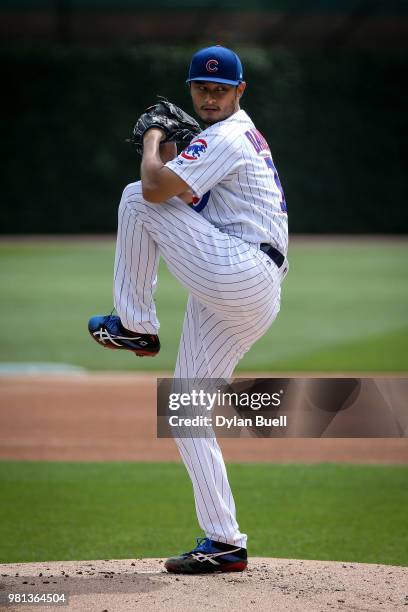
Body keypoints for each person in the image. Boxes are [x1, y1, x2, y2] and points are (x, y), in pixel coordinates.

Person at [88, 45, 288, 574]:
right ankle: (225, 540)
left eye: (221, 89)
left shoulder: (225, 135)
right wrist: (174, 150)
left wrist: (153, 138)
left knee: (135, 196)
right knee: (186, 409)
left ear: (240, 91)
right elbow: (181, 196)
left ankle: (134, 324)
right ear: (191, 87)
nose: (210, 96)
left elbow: (154, 190)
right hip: (249, 286)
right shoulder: (225, 139)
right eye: (202, 87)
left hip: (241, 270)